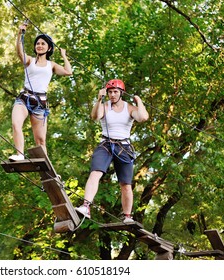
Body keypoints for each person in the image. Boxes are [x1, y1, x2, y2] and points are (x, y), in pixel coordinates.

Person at [75, 79, 149, 223]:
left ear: (121, 93)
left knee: (126, 184)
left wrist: (139, 101)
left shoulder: (129, 108)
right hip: (106, 144)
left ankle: (127, 216)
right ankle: (86, 206)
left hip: (124, 147)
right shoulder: (104, 106)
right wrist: (99, 99)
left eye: (115, 92)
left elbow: (143, 117)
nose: (112, 95)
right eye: (110, 92)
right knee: (95, 173)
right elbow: (95, 117)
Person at [9, 23, 73, 161]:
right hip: (24, 98)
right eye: (37, 43)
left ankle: (47, 171)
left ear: (49, 48)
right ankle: (19, 154)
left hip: (40, 103)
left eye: (43, 44)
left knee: (41, 140)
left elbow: (68, 72)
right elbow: (19, 52)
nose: (39, 45)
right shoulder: (30, 61)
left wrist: (64, 55)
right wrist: (20, 34)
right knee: (16, 124)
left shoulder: (52, 65)